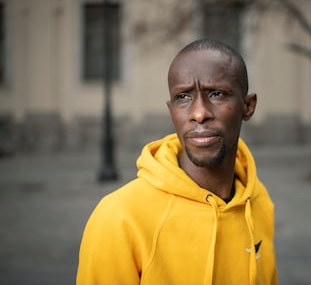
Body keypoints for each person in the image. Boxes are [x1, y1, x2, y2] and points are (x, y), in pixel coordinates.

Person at [76, 38, 278, 284]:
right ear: (171, 109)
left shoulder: (259, 201)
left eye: (216, 93)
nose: (199, 113)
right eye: (183, 97)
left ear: (248, 106)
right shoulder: (118, 219)